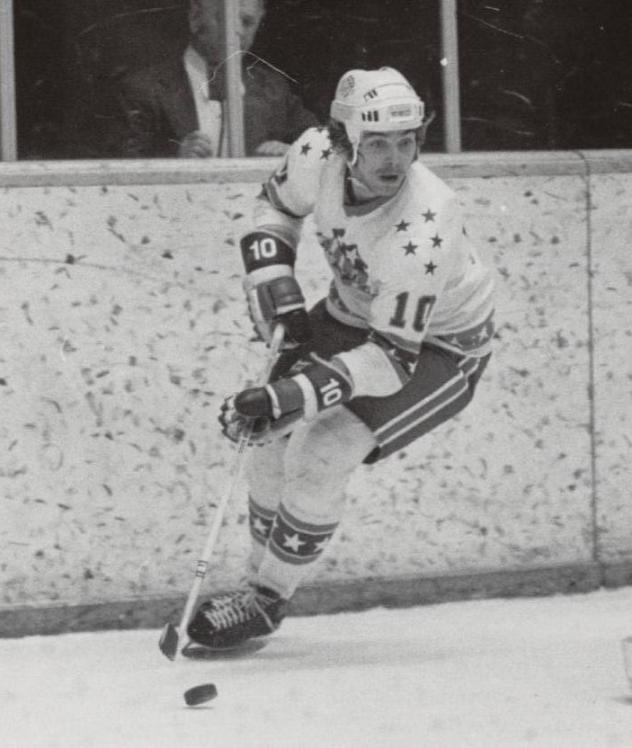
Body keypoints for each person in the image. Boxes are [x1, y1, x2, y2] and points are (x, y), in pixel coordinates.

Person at [187, 67, 496, 650]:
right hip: (353, 316)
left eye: (407, 141)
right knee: (268, 436)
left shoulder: (427, 221)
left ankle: (268, 596)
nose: (394, 159)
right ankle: (253, 589)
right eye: (377, 142)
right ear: (340, 140)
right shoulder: (312, 154)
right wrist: (274, 280)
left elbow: (390, 361)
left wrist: (292, 394)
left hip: (440, 350)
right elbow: (273, 208)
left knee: (324, 449)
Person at [115, 0, 318, 158]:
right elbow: (115, 169)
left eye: (247, 22)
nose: (237, 31)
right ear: (196, 16)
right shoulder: (143, 89)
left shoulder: (272, 90)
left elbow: (323, 143)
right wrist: (174, 161)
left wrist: (291, 153)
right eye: (226, 20)